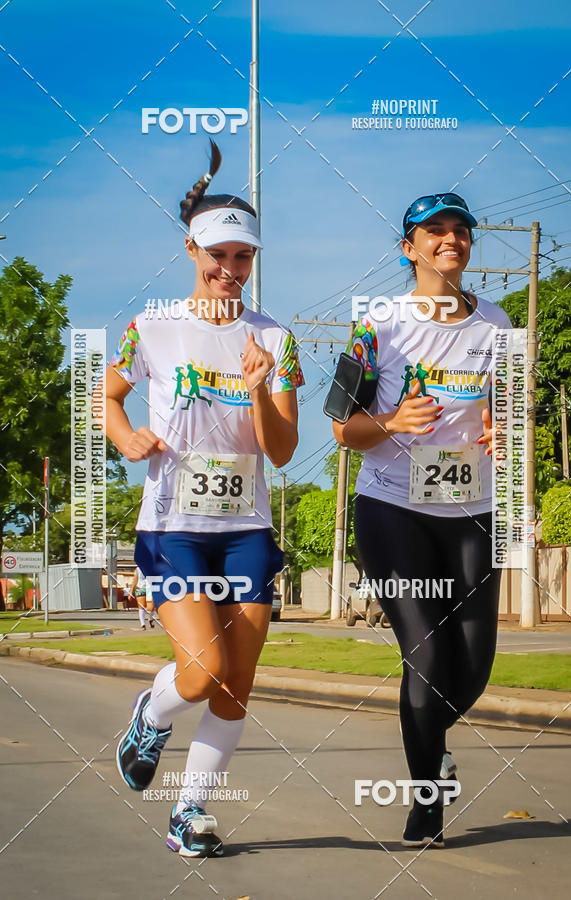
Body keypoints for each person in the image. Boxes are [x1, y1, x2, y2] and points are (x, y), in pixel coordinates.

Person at [102, 140, 304, 857]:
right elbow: (108, 397)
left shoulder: (274, 339)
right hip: (173, 529)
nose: (230, 269)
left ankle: (189, 812)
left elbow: (280, 450)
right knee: (201, 670)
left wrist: (257, 388)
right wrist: (124, 436)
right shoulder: (150, 327)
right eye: (218, 254)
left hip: (245, 528)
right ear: (191, 248)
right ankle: (150, 717)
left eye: (243, 257)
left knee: (235, 683)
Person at [331, 193, 511, 848]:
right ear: (409, 248)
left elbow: (510, 414)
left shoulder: (499, 325)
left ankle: (430, 740)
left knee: (474, 666)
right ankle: (426, 800)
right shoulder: (373, 327)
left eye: (461, 230)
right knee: (427, 654)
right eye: (434, 231)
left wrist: (502, 427)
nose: (451, 239)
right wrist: (392, 422)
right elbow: (342, 427)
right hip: (392, 507)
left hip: (473, 509)